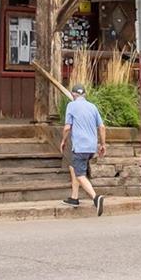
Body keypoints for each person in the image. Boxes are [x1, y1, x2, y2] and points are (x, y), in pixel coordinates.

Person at [60, 84, 107, 215]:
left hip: (79, 146)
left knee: (80, 175)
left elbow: (67, 128)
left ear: (73, 95)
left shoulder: (71, 106)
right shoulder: (92, 107)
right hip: (91, 147)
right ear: (85, 95)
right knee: (74, 167)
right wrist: (103, 144)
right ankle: (74, 198)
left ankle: (96, 198)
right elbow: (102, 127)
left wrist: (63, 141)